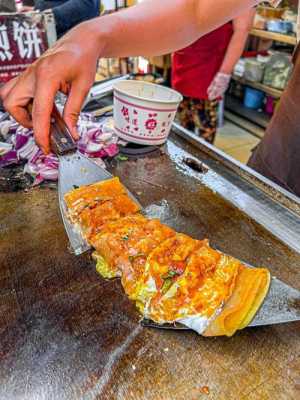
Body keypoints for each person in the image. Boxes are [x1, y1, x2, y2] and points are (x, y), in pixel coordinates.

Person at [2, 0, 299, 197]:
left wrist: (222, 74)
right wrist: (90, 37)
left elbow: (232, 25)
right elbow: (197, 9)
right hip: (284, 150)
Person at [172, 10, 254, 143]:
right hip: (183, 58)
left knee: (205, 127)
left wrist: (224, 73)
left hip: (208, 66)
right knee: (183, 125)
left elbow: (243, 28)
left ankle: (200, 162)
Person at [20, 0, 100, 38]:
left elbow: (87, 3)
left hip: (74, 44)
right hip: (53, 42)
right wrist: (37, 10)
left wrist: (51, 15)